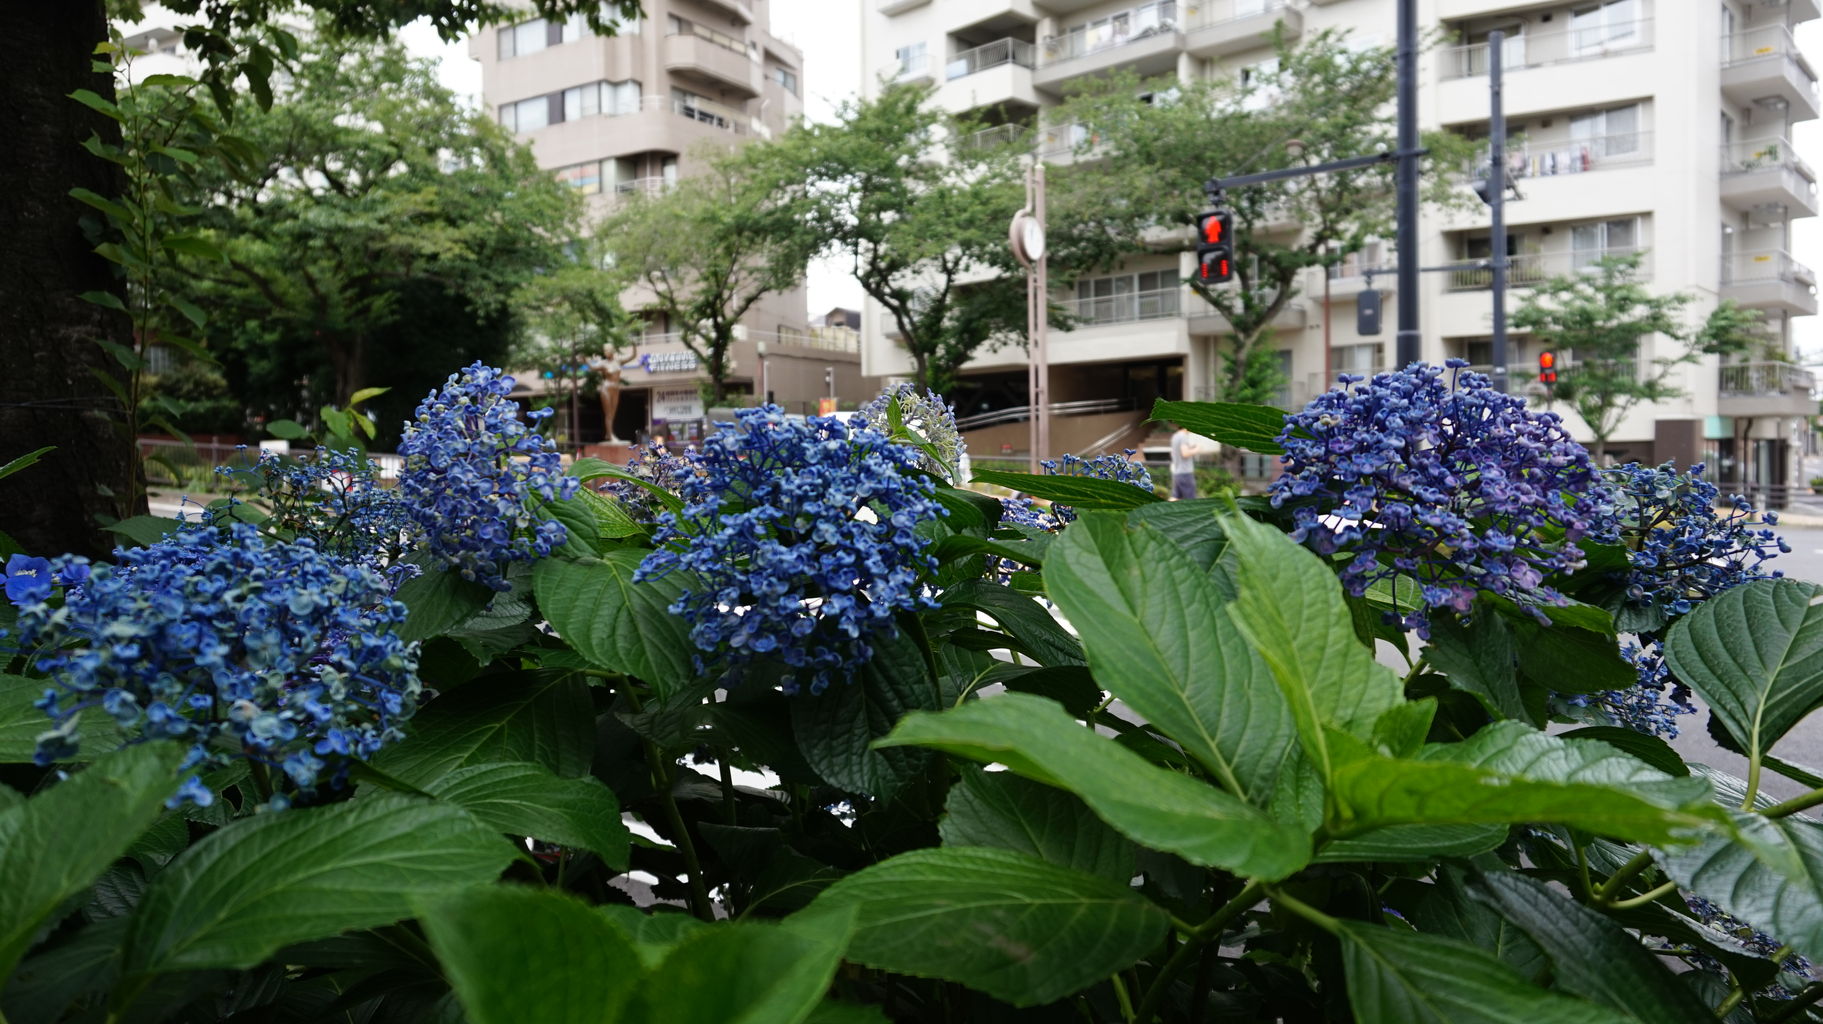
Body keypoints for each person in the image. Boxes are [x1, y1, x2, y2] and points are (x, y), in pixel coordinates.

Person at [1169, 424, 1200, 501]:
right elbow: (1185, 453)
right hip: (1185, 473)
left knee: (1175, 497)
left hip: (1177, 473)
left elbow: (1176, 452)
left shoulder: (1175, 436)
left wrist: (1190, 448)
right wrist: (1197, 449)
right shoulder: (1183, 436)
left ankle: (1161, 510)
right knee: (1190, 499)